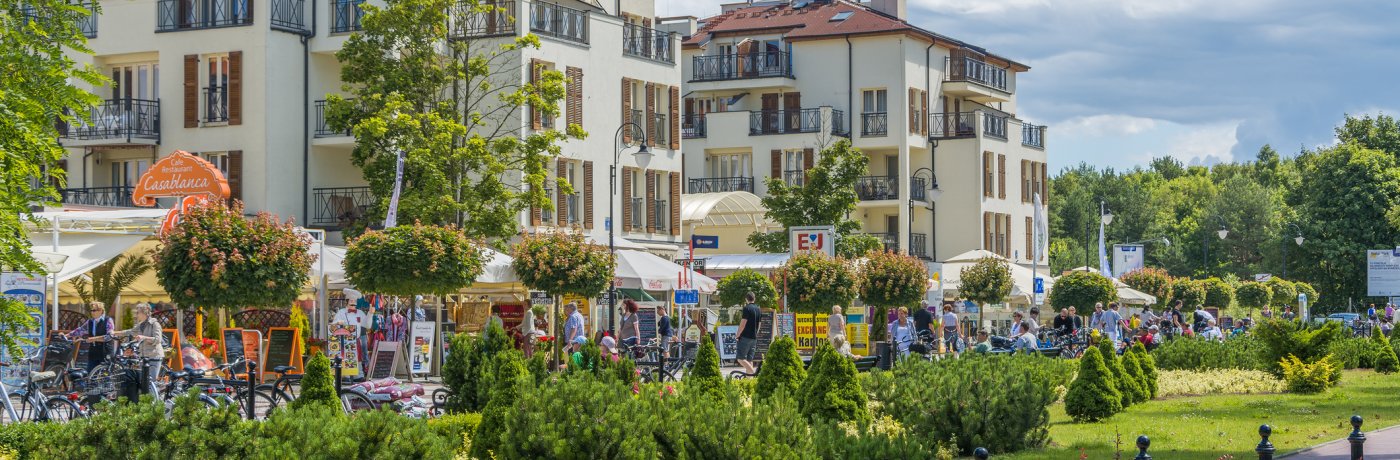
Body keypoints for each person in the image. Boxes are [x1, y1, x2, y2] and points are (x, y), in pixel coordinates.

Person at [106, 303, 165, 395]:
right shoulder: (141, 325)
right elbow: (130, 332)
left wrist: (144, 337)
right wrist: (115, 333)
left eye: (138, 312)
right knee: (143, 383)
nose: (136, 314)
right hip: (143, 357)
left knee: (150, 383)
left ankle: (155, 404)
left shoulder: (155, 324)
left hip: (154, 356)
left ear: (144, 313)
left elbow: (158, 340)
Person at [66, 301, 116, 371]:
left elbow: (110, 336)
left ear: (101, 311)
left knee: (105, 376)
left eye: (94, 310)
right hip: (93, 351)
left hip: (105, 351)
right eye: (91, 310)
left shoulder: (108, 320)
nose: (92, 312)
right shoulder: (90, 321)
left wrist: (94, 339)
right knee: (90, 374)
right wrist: (67, 335)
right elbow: (80, 330)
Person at [333, 299, 370, 363]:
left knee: (357, 364)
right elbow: (333, 324)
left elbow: (368, 325)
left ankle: (359, 372)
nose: (353, 303)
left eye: (354, 301)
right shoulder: (341, 312)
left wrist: (370, 314)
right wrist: (338, 323)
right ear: (347, 302)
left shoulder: (360, 313)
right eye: (351, 301)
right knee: (344, 363)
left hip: (356, 342)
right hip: (344, 342)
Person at [735, 292, 762, 374]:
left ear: (746, 299)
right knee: (750, 360)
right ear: (754, 298)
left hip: (745, 337)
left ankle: (754, 373)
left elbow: (743, 323)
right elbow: (759, 325)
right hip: (754, 337)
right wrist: (755, 334)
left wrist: (738, 334)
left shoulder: (747, 308)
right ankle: (749, 381)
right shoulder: (758, 309)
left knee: (740, 358)